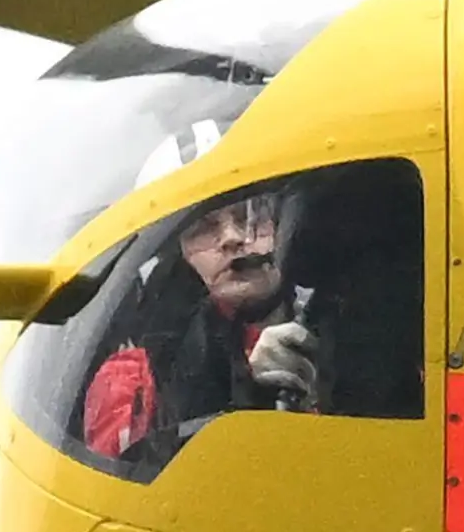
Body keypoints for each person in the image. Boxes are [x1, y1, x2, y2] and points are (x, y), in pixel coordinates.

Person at [81, 191, 317, 459]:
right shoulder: (130, 378)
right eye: (203, 227)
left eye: (250, 217)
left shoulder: (340, 325)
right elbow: (124, 484)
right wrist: (247, 393)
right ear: (176, 254)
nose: (234, 237)